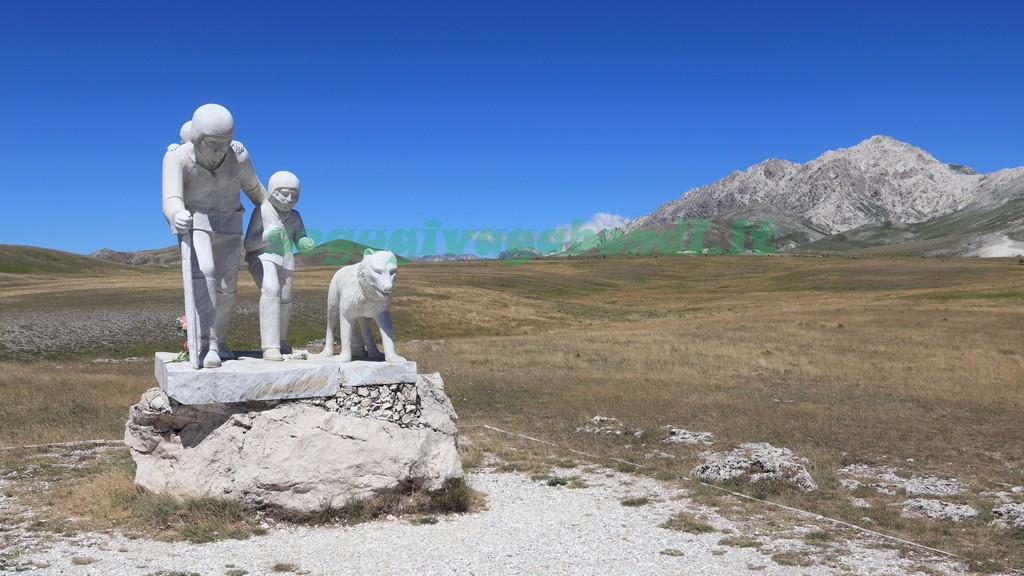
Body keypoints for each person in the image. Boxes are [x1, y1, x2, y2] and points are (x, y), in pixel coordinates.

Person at [162, 104, 268, 368]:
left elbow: (255, 190)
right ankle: (205, 344)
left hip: (231, 224)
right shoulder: (177, 158)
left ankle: (219, 341)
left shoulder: (239, 157)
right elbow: (171, 197)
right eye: (211, 144)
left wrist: (278, 211)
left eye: (225, 143)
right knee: (204, 273)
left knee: (226, 288)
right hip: (196, 222)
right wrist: (176, 214)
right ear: (197, 139)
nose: (219, 150)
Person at [245, 170, 314, 360]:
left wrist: (303, 243)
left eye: (294, 194)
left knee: (285, 298)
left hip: (286, 261)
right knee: (271, 290)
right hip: (263, 258)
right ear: (273, 191)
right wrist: (267, 237)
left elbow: (299, 237)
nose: (290, 198)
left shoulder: (296, 216)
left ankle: (282, 340)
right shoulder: (262, 211)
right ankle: (270, 346)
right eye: (285, 193)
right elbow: (249, 244)